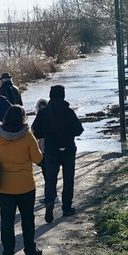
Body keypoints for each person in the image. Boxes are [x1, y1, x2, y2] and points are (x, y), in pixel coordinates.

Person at [0, 104, 43, 255]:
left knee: (7, 221)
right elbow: (37, 159)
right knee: (27, 219)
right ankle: (30, 249)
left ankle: (8, 254)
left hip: (3, 186)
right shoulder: (28, 136)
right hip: (25, 185)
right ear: (23, 118)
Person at [31, 84, 85, 223]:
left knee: (51, 178)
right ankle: (66, 207)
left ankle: (50, 201)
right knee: (68, 178)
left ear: (50, 96)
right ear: (63, 95)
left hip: (51, 149)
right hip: (68, 148)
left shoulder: (43, 113)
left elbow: (34, 131)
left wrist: (45, 135)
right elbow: (79, 130)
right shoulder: (69, 112)